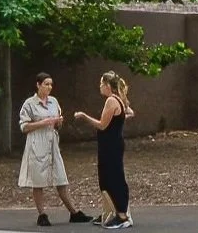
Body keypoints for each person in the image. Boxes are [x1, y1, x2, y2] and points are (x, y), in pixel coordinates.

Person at [19, 71, 90, 227]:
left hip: (52, 144)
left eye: (51, 84)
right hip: (37, 143)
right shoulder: (29, 104)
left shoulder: (53, 101)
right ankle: (42, 214)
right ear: (38, 85)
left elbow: (57, 122)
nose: (49, 87)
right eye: (46, 84)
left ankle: (74, 212)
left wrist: (58, 122)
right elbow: (24, 127)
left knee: (61, 178)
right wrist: (45, 122)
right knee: (38, 181)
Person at [74, 70, 134, 228]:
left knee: (113, 178)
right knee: (107, 178)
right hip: (110, 145)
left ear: (108, 85)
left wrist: (84, 116)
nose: (99, 86)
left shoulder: (112, 101)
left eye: (101, 83)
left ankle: (122, 215)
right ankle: (111, 211)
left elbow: (102, 125)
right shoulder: (116, 100)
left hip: (111, 146)